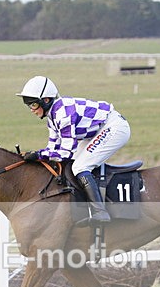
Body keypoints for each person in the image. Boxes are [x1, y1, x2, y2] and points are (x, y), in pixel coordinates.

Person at [16, 75, 131, 225]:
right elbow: (52, 148)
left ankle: (99, 212)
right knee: (74, 163)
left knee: (80, 166)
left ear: (46, 101)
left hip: (114, 127)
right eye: (29, 105)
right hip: (97, 131)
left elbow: (64, 153)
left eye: (33, 105)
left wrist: (38, 155)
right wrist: (37, 155)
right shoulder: (52, 117)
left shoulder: (63, 113)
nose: (31, 110)